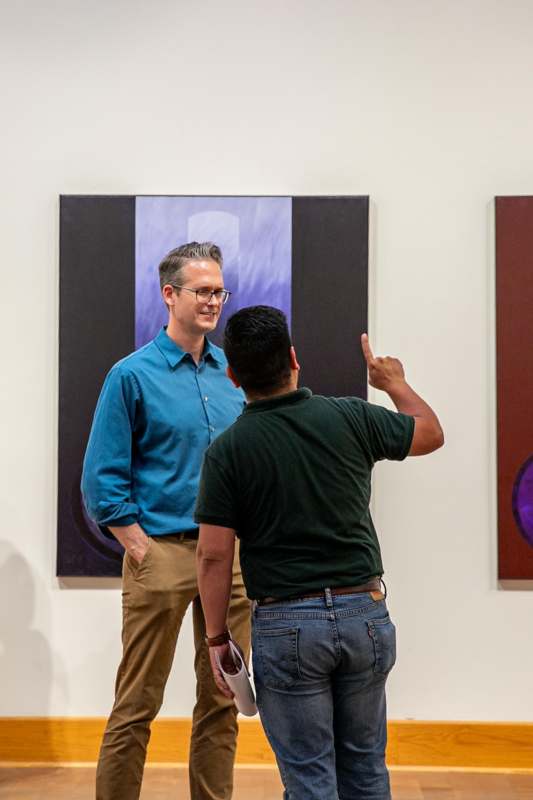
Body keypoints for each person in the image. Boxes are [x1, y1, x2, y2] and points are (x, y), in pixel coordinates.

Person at [194, 305, 444, 800]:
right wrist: (391, 380)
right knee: (367, 770)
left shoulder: (228, 451)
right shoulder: (349, 415)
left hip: (286, 625)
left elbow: (213, 557)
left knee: (310, 779)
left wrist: (217, 637)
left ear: (232, 376)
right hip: (364, 614)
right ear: (293, 358)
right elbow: (429, 433)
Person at [81, 242, 251, 800]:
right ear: (169, 295)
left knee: (224, 700)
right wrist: (138, 546)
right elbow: (101, 476)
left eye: (218, 291)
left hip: (231, 559)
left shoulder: (234, 373)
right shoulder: (130, 375)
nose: (212, 301)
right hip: (163, 551)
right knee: (137, 704)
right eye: (201, 291)